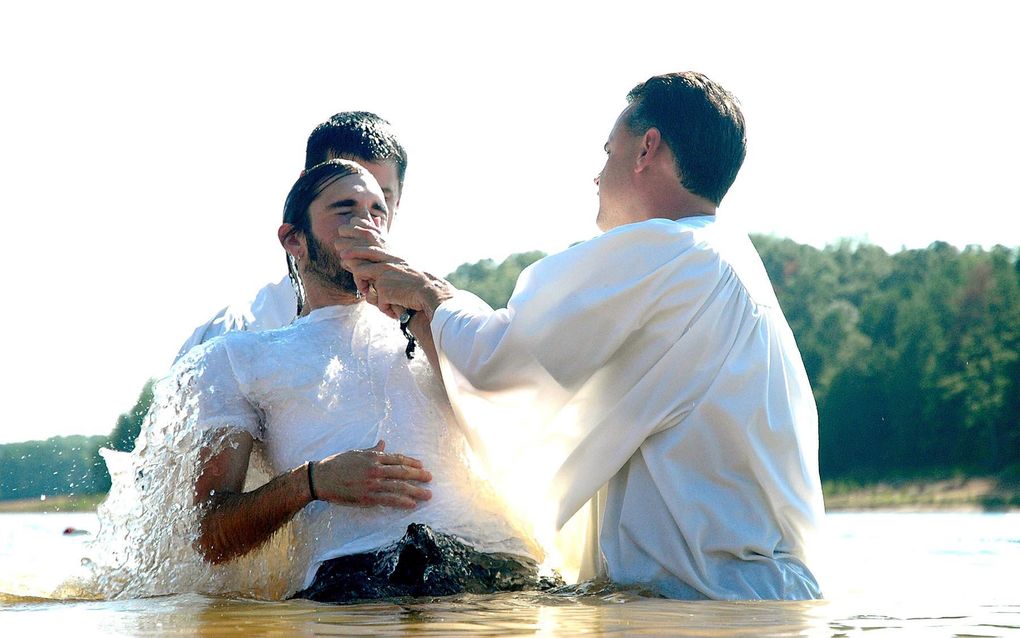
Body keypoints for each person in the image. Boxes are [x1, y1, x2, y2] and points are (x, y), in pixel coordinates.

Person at [339, 72, 826, 600]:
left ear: (646, 149)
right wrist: (420, 313)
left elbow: (506, 362)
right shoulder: (726, 259)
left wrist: (429, 293)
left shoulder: (673, 252)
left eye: (607, 151)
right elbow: (535, 390)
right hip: (756, 601)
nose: (597, 175)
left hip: (705, 605)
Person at [185, 159, 544, 603]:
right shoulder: (238, 357)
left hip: (499, 570)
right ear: (293, 239)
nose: (367, 223)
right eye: (345, 209)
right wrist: (312, 482)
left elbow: (522, 425)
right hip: (357, 581)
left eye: (377, 211)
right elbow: (211, 536)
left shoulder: (439, 317)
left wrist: (421, 306)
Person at [175, 111, 408, 361]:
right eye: (344, 202)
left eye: (379, 201)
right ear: (304, 190)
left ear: (396, 205)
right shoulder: (230, 337)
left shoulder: (431, 329)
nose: (362, 222)